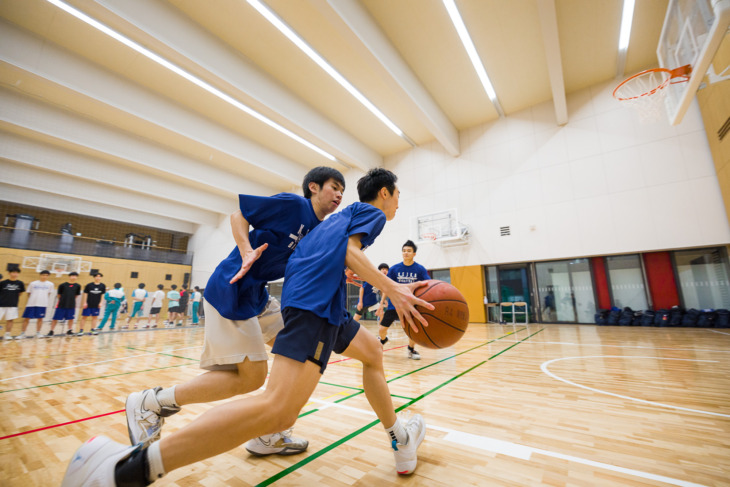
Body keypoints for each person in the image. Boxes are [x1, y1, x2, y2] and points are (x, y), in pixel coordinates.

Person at [62, 168, 433, 486]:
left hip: (311, 304)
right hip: (295, 304)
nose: (398, 201)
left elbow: (326, 254)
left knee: (371, 351)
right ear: (384, 193)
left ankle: (399, 438)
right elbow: (347, 248)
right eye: (398, 194)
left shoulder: (330, 221)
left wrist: (344, 272)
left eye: (341, 187)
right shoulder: (370, 213)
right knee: (276, 406)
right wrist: (392, 288)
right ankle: (122, 470)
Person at [119, 166, 344, 460]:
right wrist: (246, 249)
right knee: (251, 378)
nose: (339, 194)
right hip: (232, 287)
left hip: (257, 295)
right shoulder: (294, 206)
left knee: (300, 355)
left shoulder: (317, 230)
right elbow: (240, 215)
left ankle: (269, 432)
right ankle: (151, 402)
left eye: (342, 190)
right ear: (313, 187)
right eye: (334, 187)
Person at [376, 240, 430, 359]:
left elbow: (428, 284)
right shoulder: (395, 269)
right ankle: (384, 340)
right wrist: (381, 303)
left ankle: (411, 349)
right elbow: (387, 287)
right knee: (381, 329)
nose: (406, 253)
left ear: (414, 254)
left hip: (411, 305)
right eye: (404, 251)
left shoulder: (420, 269)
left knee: (413, 330)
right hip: (394, 305)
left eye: (409, 251)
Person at [18, 270, 54, 339]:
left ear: (48, 276)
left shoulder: (50, 284)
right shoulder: (33, 283)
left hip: (42, 304)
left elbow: (48, 294)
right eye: (43, 275)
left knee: (40, 319)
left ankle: (38, 333)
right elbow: (29, 293)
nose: (44, 276)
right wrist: (33, 299)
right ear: (40, 275)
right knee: (26, 318)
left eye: (46, 275)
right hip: (31, 304)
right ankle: (22, 333)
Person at [47, 271, 81, 337]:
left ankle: (69, 330)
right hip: (61, 305)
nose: (73, 277)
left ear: (76, 277)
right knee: (55, 318)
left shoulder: (78, 286)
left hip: (71, 305)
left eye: (75, 276)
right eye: (72, 276)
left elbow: (76, 296)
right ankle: (51, 331)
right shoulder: (62, 285)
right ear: (69, 276)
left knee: (71, 318)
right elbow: (59, 295)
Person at [0, 267, 25, 340]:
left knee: (10, 320)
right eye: (13, 272)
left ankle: (7, 334)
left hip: (13, 305)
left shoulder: (20, 283)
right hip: (1, 304)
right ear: (9, 273)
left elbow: (20, 293)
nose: (15, 274)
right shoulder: (3, 283)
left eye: (17, 272)